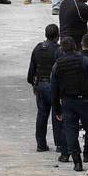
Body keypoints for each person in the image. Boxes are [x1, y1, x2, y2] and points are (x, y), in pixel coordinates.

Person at [49, 36, 88, 171]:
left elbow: (53, 90)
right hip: (86, 101)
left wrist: (57, 109)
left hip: (68, 102)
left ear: (62, 49)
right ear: (76, 46)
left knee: (71, 131)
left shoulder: (57, 65)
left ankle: (77, 162)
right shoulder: (85, 61)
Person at [27, 24, 64, 155]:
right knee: (57, 114)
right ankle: (60, 144)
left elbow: (31, 69)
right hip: (53, 86)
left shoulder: (38, 48)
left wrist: (33, 84)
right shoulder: (59, 50)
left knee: (42, 114)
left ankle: (41, 144)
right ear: (57, 36)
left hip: (40, 85)